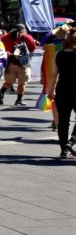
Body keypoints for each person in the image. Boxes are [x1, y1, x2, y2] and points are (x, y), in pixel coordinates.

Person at [47, 29, 76, 158]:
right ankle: (72, 141)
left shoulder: (59, 54)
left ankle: (64, 149)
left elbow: (53, 75)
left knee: (63, 121)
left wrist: (50, 90)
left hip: (62, 88)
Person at [0, 24, 37, 106]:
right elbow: (33, 48)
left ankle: (1, 92)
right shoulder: (27, 37)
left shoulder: (5, 37)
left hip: (10, 63)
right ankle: (19, 100)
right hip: (22, 64)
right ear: (23, 29)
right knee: (22, 83)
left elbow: (0, 46)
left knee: (8, 82)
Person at [42, 25, 71, 130]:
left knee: (56, 100)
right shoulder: (67, 46)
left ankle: (57, 121)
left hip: (58, 78)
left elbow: (46, 63)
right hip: (66, 78)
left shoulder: (51, 46)